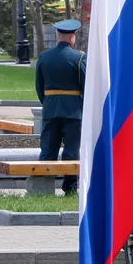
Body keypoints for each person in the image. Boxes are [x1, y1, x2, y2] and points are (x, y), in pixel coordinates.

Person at [33, 18, 86, 194]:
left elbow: (39, 87)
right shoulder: (79, 58)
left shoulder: (44, 57)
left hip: (50, 108)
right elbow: (85, 85)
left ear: (58, 35)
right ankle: (70, 188)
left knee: (48, 149)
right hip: (73, 111)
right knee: (71, 151)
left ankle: (43, 187)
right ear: (73, 37)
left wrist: (48, 102)